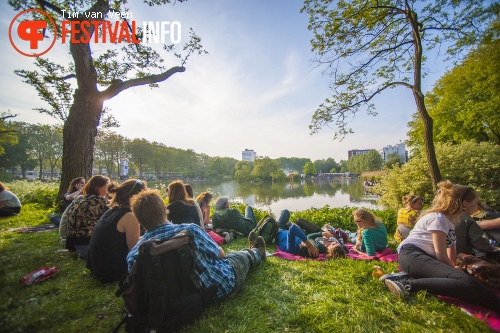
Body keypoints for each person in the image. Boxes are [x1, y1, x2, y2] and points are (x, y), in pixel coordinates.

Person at [126, 189, 266, 301]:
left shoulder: (135, 254)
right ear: (165, 209)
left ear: (139, 219)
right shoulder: (190, 230)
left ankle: (253, 249)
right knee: (238, 256)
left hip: (175, 299)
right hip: (214, 288)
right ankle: (256, 250)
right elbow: (221, 255)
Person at [384, 180, 500, 313]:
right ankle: (406, 285)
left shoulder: (451, 223)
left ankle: (404, 278)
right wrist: (455, 273)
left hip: (422, 259)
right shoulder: (438, 218)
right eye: (476, 203)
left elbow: (451, 257)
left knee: (467, 281)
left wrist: (456, 268)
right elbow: (440, 254)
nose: (478, 207)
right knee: (468, 283)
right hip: (412, 255)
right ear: (465, 204)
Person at [86, 179, 147, 283]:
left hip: (97, 268)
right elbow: (135, 250)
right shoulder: (130, 217)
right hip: (113, 273)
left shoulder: (112, 211)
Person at [64, 175, 110, 255]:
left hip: (73, 243)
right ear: (97, 188)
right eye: (106, 187)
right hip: (88, 244)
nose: (108, 190)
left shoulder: (79, 198)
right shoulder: (100, 200)